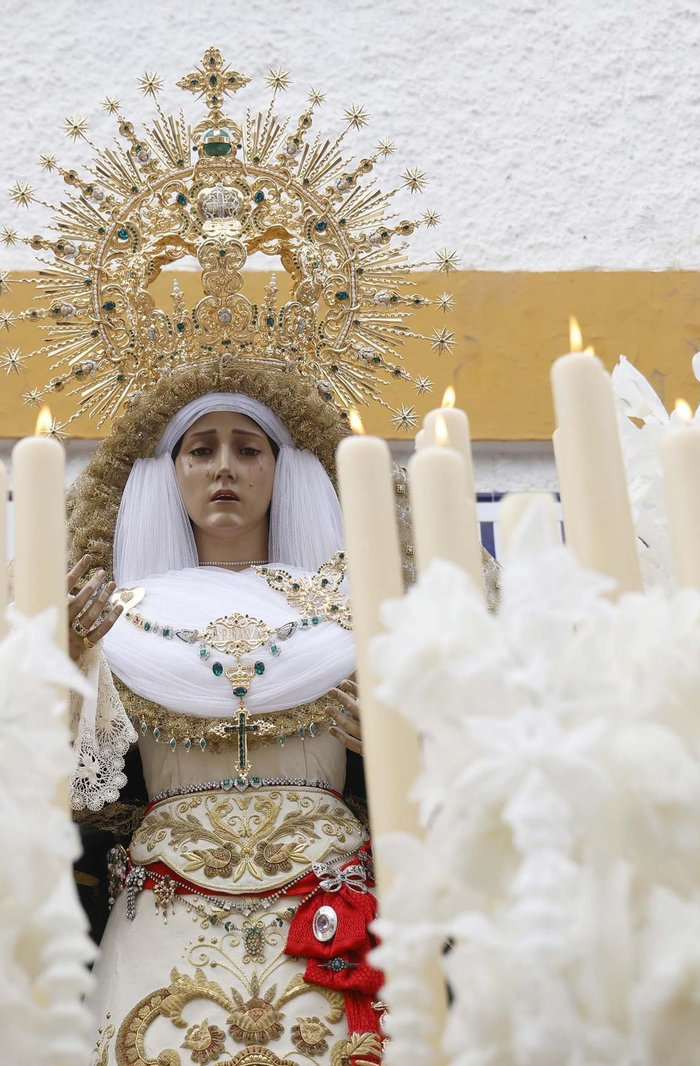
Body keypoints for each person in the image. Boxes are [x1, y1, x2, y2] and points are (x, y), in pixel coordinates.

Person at [60, 366, 484, 1065]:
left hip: (326, 905)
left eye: (249, 448)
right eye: (200, 449)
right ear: (169, 472)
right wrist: (71, 655)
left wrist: (396, 750)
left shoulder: (356, 613)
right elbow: (61, 782)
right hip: (165, 908)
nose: (224, 467)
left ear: (284, 467)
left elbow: (459, 780)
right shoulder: (118, 621)